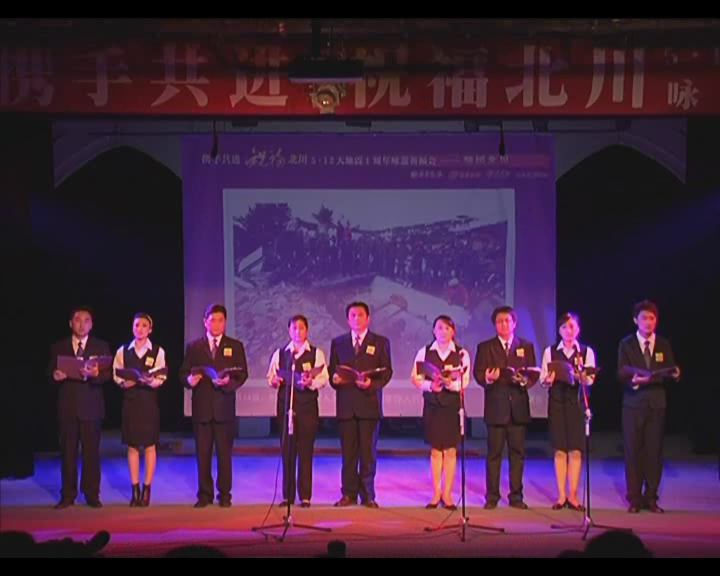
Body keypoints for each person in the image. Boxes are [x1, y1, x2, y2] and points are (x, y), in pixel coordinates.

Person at [179, 304, 248, 508]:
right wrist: (189, 380)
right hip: (202, 409)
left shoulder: (235, 346)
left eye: (220, 320)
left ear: (225, 323)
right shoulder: (194, 347)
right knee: (203, 454)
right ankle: (204, 494)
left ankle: (225, 494)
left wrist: (229, 383)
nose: (216, 324)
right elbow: (183, 373)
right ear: (205, 322)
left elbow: (242, 374)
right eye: (212, 320)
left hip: (224, 408)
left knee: (224, 455)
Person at [617, 300, 680, 514]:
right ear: (636, 320)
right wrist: (633, 380)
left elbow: (669, 368)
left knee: (654, 451)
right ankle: (634, 498)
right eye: (644, 318)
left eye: (652, 318)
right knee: (633, 451)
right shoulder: (626, 344)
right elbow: (621, 372)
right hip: (633, 403)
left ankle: (651, 497)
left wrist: (675, 373)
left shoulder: (663, 343)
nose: (648, 322)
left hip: (656, 403)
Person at [328, 302, 392, 508]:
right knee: (348, 453)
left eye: (361, 315)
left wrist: (371, 384)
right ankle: (348, 494)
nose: (357, 319)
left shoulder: (380, 342)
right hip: (346, 406)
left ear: (368, 318)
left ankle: (368, 495)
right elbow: (332, 372)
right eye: (353, 315)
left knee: (368, 453)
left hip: (369, 404)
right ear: (348, 319)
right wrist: (334, 379)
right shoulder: (338, 342)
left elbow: (387, 372)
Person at [473, 305, 537, 510]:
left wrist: (525, 380)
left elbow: (533, 374)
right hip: (496, 408)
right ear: (495, 325)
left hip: (518, 407)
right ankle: (492, 496)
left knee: (517, 454)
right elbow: (478, 373)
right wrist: (488, 377)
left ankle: (516, 496)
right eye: (499, 321)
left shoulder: (525, 346)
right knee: (494, 454)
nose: (504, 324)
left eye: (507, 321)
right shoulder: (485, 347)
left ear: (514, 323)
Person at [48, 306, 111, 509]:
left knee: (91, 453)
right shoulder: (59, 347)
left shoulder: (100, 346)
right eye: (77, 320)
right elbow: (49, 372)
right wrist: (55, 376)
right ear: (70, 323)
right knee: (68, 453)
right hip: (68, 408)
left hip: (91, 407)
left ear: (91, 325)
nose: (82, 325)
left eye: (86, 321)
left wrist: (96, 375)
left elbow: (108, 375)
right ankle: (67, 495)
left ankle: (92, 494)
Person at [267, 315, 329, 508]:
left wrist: (311, 382)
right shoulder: (281, 353)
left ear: (307, 331)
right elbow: (271, 377)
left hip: (307, 407)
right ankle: (287, 495)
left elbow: (323, 379)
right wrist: (274, 381)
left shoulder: (316, 353)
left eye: (301, 328)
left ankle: (305, 496)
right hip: (286, 406)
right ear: (289, 331)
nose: (297, 332)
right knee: (288, 450)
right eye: (294, 328)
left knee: (305, 450)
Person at [411, 315, 470, 509]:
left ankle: (448, 494)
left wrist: (449, 383)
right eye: (439, 328)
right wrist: (430, 386)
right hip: (433, 406)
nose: (443, 332)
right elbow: (415, 378)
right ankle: (436, 493)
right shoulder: (425, 352)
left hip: (452, 407)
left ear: (453, 331)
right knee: (436, 450)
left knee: (450, 451)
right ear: (433, 331)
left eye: (447, 328)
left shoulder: (461, 354)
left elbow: (464, 381)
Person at [540, 313, 596, 511]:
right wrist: (548, 379)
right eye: (564, 327)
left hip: (577, 404)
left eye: (572, 327)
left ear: (578, 329)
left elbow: (590, 379)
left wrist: (581, 376)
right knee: (560, 450)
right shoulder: (550, 351)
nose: (568, 331)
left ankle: (573, 495)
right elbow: (543, 379)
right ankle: (561, 495)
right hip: (557, 403)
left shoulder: (586, 352)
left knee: (575, 450)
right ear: (559, 331)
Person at [112, 313, 167, 507]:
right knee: (132, 445)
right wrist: (123, 383)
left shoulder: (157, 351)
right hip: (131, 401)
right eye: (136, 325)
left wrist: (151, 381)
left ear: (150, 329)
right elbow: (116, 373)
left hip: (149, 401)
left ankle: (147, 487)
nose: (140, 329)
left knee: (150, 445)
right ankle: (134, 488)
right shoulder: (123, 351)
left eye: (144, 325)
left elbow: (162, 376)